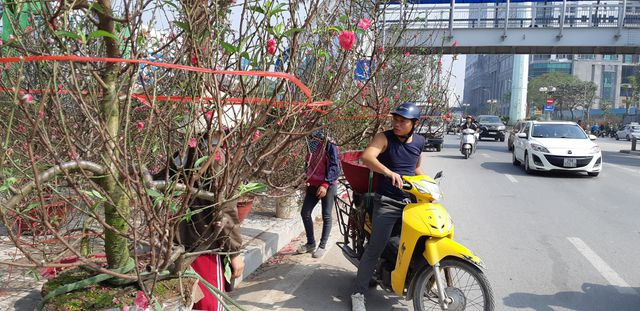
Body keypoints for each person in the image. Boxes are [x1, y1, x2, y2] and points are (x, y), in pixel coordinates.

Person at [153, 98, 244, 311]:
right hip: (206, 245)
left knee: (192, 300)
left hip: (182, 242)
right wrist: (235, 252)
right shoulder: (216, 159)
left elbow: (159, 182)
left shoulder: (186, 153)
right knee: (210, 304)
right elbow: (225, 209)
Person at [351, 102, 426, 311]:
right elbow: (367, 157)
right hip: (387, 202)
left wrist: (429, 185)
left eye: (402, 121)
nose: (397, 123)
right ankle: (358, 293)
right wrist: (388, 172)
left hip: (410, 203)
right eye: (395, 119)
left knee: (413, 244)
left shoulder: (419, 142)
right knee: (375, 247)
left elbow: (416, 167)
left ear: (414, 124)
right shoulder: (384, 138)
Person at [297, 129, 340, 258]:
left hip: (328, 184)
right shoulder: (310, 142)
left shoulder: (329, 144)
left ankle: (322, 245)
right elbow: (309, 162)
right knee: (305, 212)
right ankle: (311, 243)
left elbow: (335, 166)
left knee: (326, 215)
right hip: (313, 183)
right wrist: (307, 179)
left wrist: (325, 184)